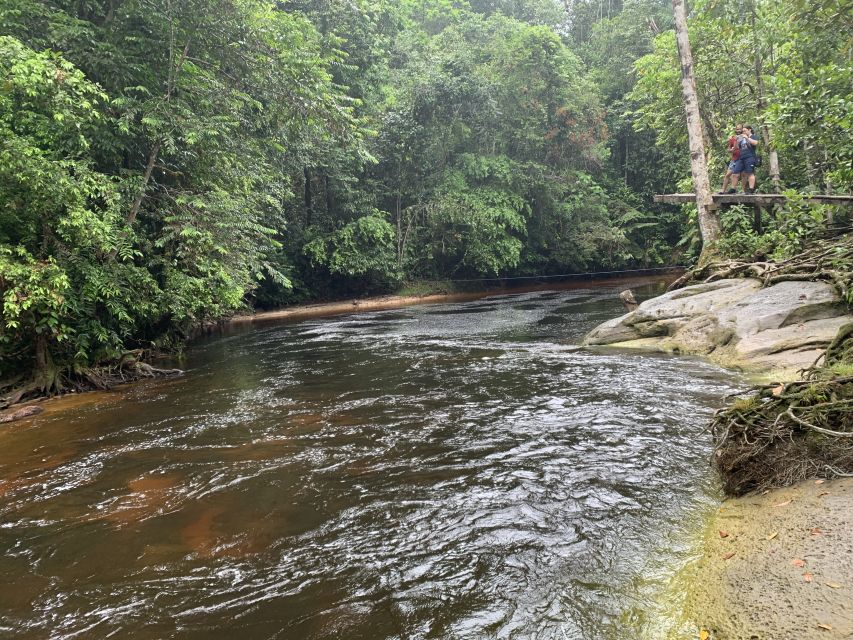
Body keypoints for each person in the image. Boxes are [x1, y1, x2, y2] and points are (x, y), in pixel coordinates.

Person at [729, 125, 760, 193]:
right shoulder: (741, 137)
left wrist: (747, 138)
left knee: (750, 173)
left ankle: (751, 189)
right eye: (743, 131)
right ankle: (733, 189)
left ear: (749, 130)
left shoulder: (753, 136)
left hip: (750, 157)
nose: (744, 132)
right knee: (735, 173)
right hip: (741, 157)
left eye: (745, 131)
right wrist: (735, 140)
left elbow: (755, 143)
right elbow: (736, 148)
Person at [720, 124, 743, 193]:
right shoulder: (732, 138)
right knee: (727, 175)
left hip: (741, 158)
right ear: (735, 130)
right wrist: (732, 150)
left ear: (742, 129)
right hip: (734, 159)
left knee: (736, 175)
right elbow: (729, 149)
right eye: (737, 129)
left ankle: (733, 189)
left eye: (740, 129)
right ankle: (723, 190)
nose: (738, 131)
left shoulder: (744, 137)